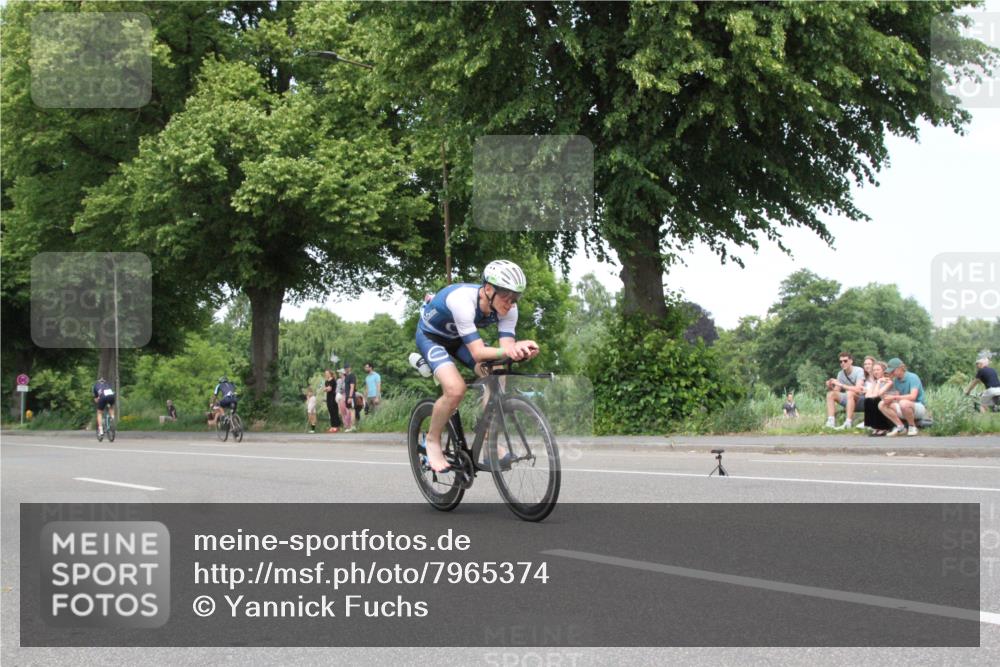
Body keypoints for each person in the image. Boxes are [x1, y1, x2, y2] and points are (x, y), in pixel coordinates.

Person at [412, 259, 539, 472]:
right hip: (432, 338)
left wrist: (519, 351)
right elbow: (478, 352)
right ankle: (432, 441)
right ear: (488, 289)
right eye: (507, 296)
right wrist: (511, 349)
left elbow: (505, 350)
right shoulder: (462, 300)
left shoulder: (510, 310)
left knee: (497, 371)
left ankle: (489, 438)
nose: (511, 303)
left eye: (516, 297)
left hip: (460, 340)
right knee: (455, 390)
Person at [879, 358, 926, 437]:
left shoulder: (913, 377)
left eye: (893, 371)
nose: (891, 373)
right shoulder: (895, 380)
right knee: (882, 404)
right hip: (903, 406)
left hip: (918, 407)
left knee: (903, 403)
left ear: (900, 368)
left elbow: (912, 397)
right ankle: (900, 427)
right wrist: (887, 397)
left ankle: (912, 427)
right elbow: (897, 396)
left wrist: (893, 398)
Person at [824, 352, 865, 429]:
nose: (843, 363)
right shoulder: (840, 374)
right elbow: (836, 391)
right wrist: (830, 386)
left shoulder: (859, 371)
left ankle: (848, 422)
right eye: (841, 361)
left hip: (861, 399)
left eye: (845, 361)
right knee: (830, 394)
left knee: (850, 393)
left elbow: (858, 389)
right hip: (849, 399)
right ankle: (831, 422)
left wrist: (841, 385)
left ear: (851, 361)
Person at [863, 361, 895, 436]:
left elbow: (878, 394)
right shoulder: (876, 381)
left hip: (888, 403)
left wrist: (878, 383)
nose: (875, 372)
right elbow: (867, 396)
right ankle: (875, 427)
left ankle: (883, 428)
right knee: (868, 401)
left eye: (878, 370)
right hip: (879, 402)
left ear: (883, 371)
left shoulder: (888, 381)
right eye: (874, 370)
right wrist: (877, 382)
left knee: (875, 400)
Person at [343, 363, 358, 432]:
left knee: (352, 410)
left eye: (347, 368)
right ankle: (351, 426)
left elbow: (352, 387)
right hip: (347, 396)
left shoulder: (352, 376)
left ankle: (353, 426)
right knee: (350, 410)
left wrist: (350, 397)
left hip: (351, 396)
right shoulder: (346, 376)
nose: (346, 370)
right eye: (345, 369)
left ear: (350, 368)